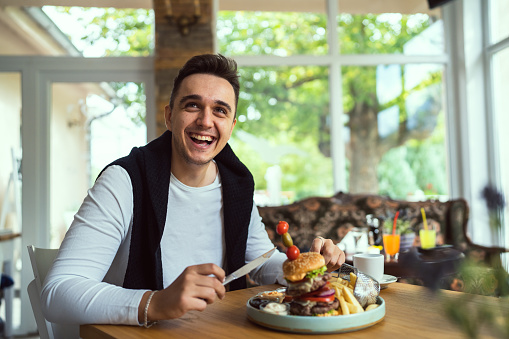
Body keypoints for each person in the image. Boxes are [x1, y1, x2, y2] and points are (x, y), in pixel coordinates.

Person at [41, 54, 345, 327]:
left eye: (220, 110)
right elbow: (57, 293)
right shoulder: (123, 181)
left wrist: (304, 266)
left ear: (232, 125)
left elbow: (260, 260)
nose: (205, 121)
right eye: (192, 105)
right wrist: (156, 302)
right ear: (169, 116)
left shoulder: (236, 183)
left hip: (220, 330)